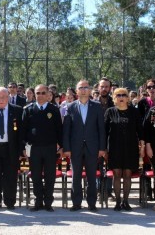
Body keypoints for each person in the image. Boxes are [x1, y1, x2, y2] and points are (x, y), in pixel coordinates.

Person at [63, 80, 106, 212]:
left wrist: (102, 148)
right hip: (75, 147)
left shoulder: (97, 106)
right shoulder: (70, 107)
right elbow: (66, 130)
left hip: (93, 147)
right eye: (80, 87)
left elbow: (101, 129)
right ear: (76, 91)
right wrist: (67, 148)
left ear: (90, 90)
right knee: (76, 176)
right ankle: (76, 203)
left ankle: (91, 203)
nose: (83, 90)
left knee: (91, 176)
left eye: (86, 87)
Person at [22, 84, 63, 212]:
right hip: (34, 149)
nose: (40, 95)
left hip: (50, 148)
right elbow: (23, 130)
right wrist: (23, 147)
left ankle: (48, 202)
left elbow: (59, 130)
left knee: (50, 176)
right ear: (34, 94)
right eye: (38, 93)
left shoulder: (54, 110)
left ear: (48, 95)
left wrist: (61, 146)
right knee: (36, 176)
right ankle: (38, 201)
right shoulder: (28, 109)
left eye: (43, 93)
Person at [105, 88, 144, 211]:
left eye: (124, 95)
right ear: (114, 98)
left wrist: (142, 147)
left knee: (127, 174)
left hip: (130, 148)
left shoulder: (134, 112)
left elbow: (140, 131)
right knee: (117, 174)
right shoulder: (109, 112)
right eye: (118, 95)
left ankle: (126, 201)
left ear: (128, 98)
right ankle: (117, 202)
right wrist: (104, 149)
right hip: (114, 148)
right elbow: (104, 133)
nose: (121, 97)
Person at [137, 79, 155, 200]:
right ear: (146, 89)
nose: (152, 89)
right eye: (149, 87)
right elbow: (139, 123)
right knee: (146, 165)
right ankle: (147, 192)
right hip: (145, 138)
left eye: (154, 87)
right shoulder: (142, 103)